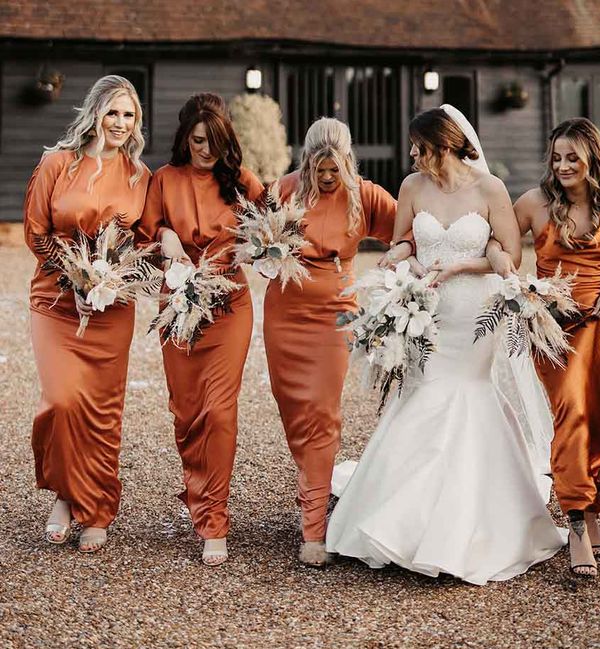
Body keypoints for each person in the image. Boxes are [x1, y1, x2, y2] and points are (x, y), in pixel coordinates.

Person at [325, 106, 566, 585]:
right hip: (425, 310)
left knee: (466, 393)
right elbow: (404, 244)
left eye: (419, 146)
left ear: (444, 145)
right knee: (424, 391)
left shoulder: (489, 189)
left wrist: (459, 268)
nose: (412, 154)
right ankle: (404, 520)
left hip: (473, 311)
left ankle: (465, 524)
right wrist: (393, 267)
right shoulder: (413, 187)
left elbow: (510, 255)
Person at [263, 117, 414, 567]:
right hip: (284, 314)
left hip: (335, 314)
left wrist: (393, 262)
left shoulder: (364, 194)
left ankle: (314, 527)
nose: (327, 178)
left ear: (347, 160)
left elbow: (407, 233)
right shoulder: (282, 190)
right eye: (320, 169)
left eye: (335, 169)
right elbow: (252, 240)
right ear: (307, 160)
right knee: (293, 409)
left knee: (321, 411)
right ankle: (312, 482)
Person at [24, 75, 150, 552]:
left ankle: (94, 508)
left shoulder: (141, 177)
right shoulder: (57, 163)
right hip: (54, 301)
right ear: (96, 112)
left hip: (112, 309)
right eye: (113, 112)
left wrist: (111, 281)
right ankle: (64, 489)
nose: (120, 123)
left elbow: (145, 242)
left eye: (129, 115)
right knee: (61, 400)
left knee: (101, 409)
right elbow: (36, 232)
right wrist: (76, 278)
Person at [138, 93, 264, 566]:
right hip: (179, 309)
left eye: (213, 142)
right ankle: (198, 494)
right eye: (197, 141)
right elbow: (143, 237)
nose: (205, 151)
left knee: (219, 411)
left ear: (224, 141)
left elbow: (277, 225)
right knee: (187, 413)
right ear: (184, 138)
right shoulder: (163, 180)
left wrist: (257, 248)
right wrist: (164, 237)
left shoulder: (241, 182)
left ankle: (215, 520)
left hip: (230, 306)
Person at [510, 118, 600, 577]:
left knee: (598, 415)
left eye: (573, 158)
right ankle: (577, 520)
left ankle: (596, 502)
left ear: (591, 160)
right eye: (557, 157)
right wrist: (525, 289)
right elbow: (500, 247)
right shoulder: (533, 202)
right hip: (553, 327)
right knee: (571, 411)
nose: (563, 166)